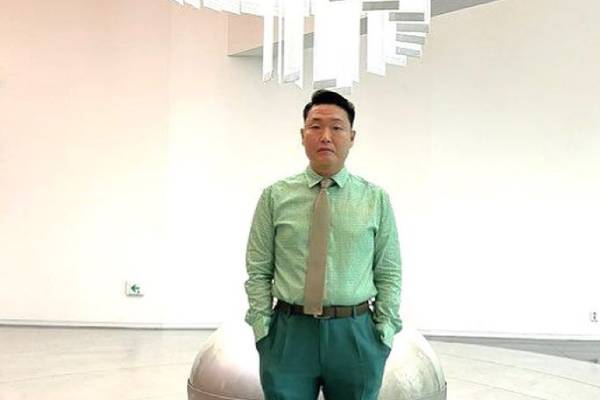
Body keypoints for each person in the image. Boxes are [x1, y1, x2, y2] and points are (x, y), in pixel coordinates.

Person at [244, 89, 402, 400]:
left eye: (337, 127)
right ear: (302, 135)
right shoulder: (275, 197)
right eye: (315, 126)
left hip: (355, 335)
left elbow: (389, 272)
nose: (325, 136)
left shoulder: (375, 200)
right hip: (289, 334)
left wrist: (383, 332)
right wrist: (263, 329)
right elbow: (258, 269)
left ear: (352, 137)